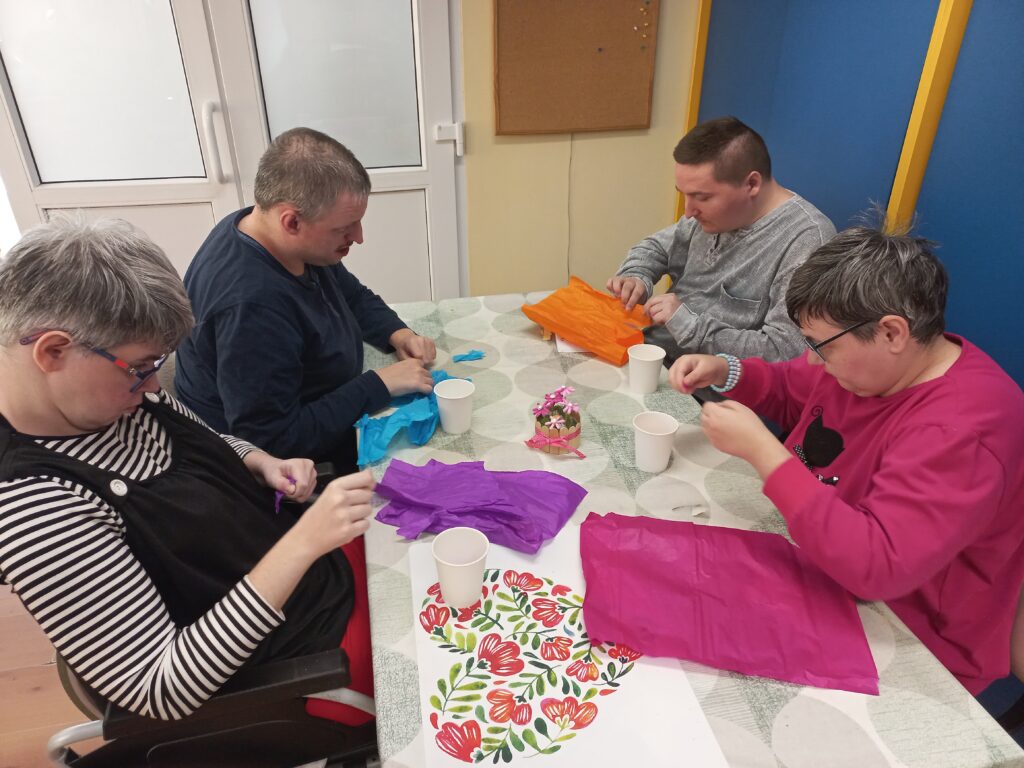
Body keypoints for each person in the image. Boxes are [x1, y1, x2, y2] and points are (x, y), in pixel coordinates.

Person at [0, 217, 376, 722]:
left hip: (316, 577)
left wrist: (260, 461)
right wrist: (302, 543)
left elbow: (205, 442)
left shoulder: (110, 400)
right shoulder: (35, 509)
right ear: (53, 351)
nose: (155, 387)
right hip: (299, 659)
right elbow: (161, 688)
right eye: (140, 368)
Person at [668, 225, 1024, 694]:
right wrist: (727, 371)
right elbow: (790, 387)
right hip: (819, 565)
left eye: (822, 346)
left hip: (912, 637)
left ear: (892, 332)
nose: (815, 361)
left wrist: (765, 453)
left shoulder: (962, 431)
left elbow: (878, 566)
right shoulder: (871, 367)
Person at [175, 127, 436, 474]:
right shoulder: (250, 307)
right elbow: (273, 441)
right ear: (292, 221)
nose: (358, 237)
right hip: (278, 459)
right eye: (344, 228)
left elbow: (350, 294)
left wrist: (397, 333)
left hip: (317, 402)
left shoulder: (266, 229)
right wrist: (379, 384)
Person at [607, 116, 835, 364]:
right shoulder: (714, 216)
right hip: (655, 351)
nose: (688, 212)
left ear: (752, 184)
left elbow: (786, 351)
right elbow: (655, 248)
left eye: (702, 197)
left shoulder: (807, 239)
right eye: (684, 195)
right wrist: (636, 276)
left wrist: (689, 327)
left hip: (713, 378)